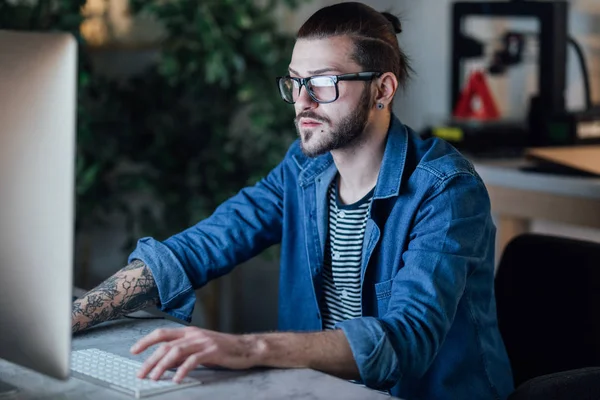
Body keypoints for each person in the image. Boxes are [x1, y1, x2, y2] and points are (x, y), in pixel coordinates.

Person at [71, 2, 514, 399]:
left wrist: (248, 347)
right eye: (296, 82)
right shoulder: (305, 169)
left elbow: (407, 338)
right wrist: (72, 318)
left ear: (382, 89)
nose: (301, 102)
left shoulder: (447, 189)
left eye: (323, 83)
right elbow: (204, 244)